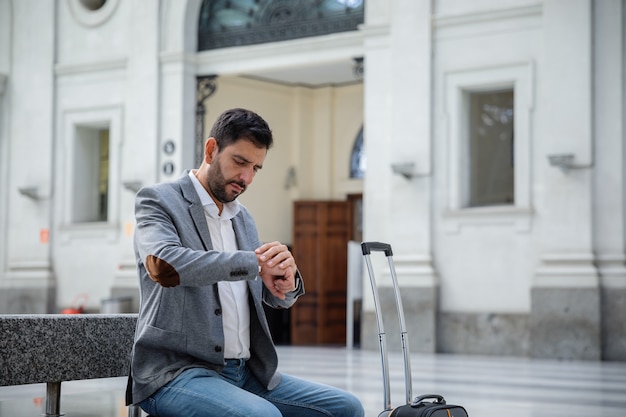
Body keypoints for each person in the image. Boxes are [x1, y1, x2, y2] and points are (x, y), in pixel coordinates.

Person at [126, 108, 364, 417]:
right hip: (175, 372)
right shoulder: (159, 201)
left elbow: (260, 288)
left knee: (347, 408)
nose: (247, 178)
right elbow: (164, 265)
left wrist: (283, 284)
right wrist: (254, 263)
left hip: (247, 373)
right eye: (240, 162)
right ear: (211, 150)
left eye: (256, 168)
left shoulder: (243, 218)